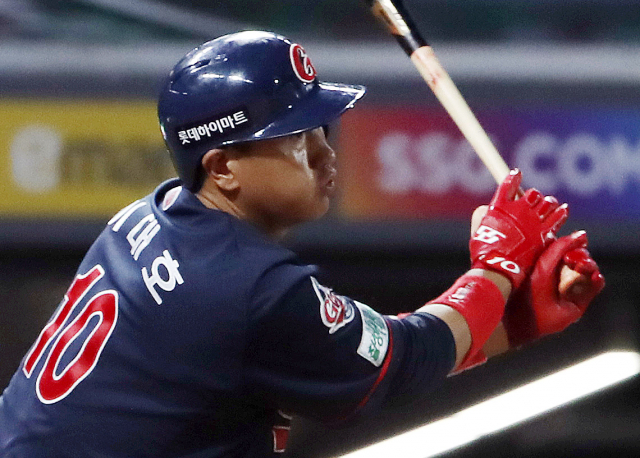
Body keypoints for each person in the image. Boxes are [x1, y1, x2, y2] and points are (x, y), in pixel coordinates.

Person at [0, 31, 604, 457]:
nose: (324, 152)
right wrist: (496, 270)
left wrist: (513, 319)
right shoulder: (249, 287)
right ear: (223, 168)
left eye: (320, 127)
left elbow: (358, 363)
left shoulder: (153, 215)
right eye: (293, 137)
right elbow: (397, 361)